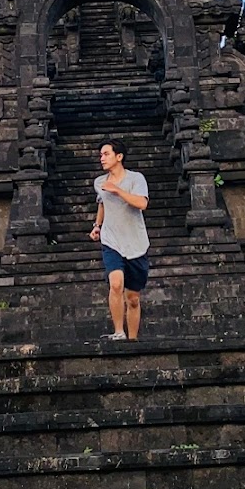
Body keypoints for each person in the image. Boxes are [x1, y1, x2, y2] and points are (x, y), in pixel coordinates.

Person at [88, 138, 150, 340]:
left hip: (136, 243)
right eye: (101, 155)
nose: (102, 158)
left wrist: (118, 190)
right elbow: (102, 203)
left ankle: (132, 340)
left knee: (133, 298)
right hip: (111, 240)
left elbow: (141, 203)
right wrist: (97, 226)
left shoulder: (136, 179)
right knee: (115, 284)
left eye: (106, 154)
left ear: (119, 157)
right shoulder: (100, 182)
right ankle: (118, 332)